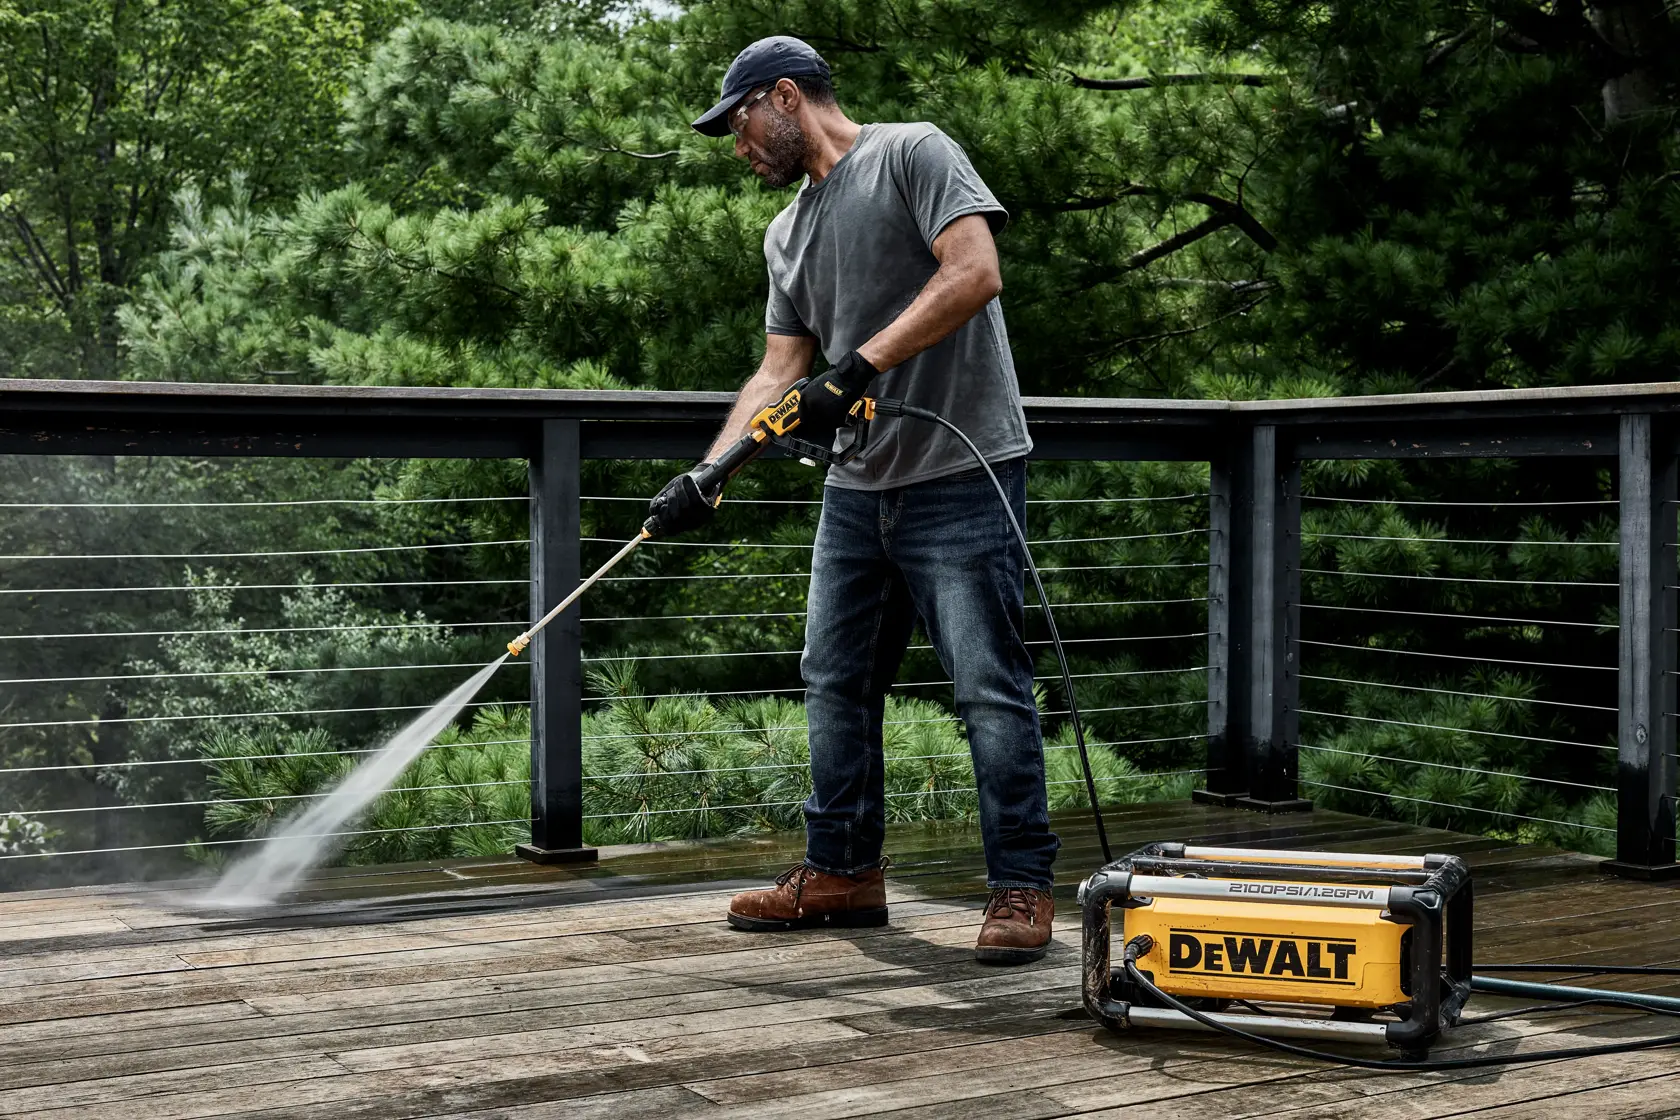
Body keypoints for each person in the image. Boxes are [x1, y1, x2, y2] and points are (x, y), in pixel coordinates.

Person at [647, 35, 1059, 964]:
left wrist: (860, 366)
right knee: (834, 680)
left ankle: (1022, 885)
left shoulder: (914, 152)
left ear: (786, 97)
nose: (738, 146)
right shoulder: (785, 234)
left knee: (986, 686)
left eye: (740, 123)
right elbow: (778, 372)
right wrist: (709, 473)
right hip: (857, 487)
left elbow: (975, 272)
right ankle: (842, 872)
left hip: (962, 472)